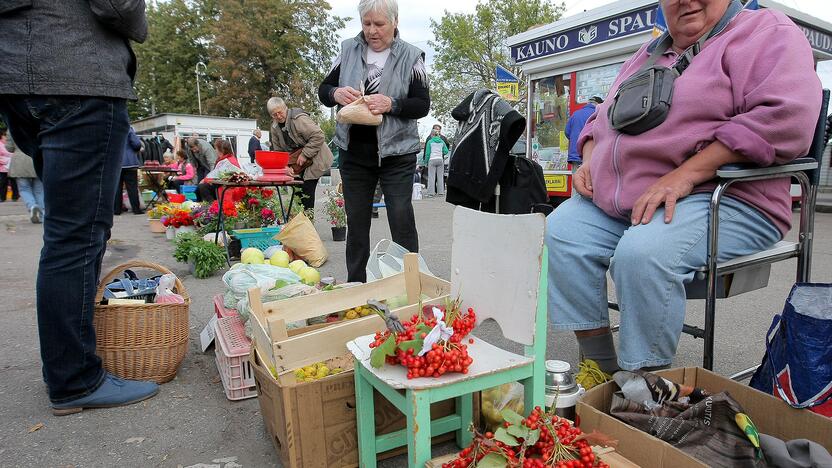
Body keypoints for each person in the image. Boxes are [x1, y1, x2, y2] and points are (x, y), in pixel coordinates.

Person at [546, 0, 821, 389]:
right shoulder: (650, 52)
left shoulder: (765, 31)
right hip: (633, 199)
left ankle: (645, 385)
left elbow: (786, 117)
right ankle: (601, 368)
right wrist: (590, 157)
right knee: (560, 231)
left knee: (643, 254)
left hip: (726, 194)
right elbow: (598, 117)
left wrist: (687, 174)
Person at [0, 0, 159, 414]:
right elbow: (116, 5)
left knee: (66, 233)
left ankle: (70, 366)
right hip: (78, 75)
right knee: (77, 237)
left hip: (17, 78)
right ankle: (75, 378)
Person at [319, 0, 430, 282]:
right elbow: (323, 89)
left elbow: (422, 105)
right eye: (366, 23)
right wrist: (335, 94)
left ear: (395, 22)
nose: (372, 31)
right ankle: (357, 287)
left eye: (379, 24)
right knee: (356, 224)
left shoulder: (412, 56)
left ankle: (409, 284)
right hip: (355, 155)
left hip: (397, 154)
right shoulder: (348, 50)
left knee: (401, 219)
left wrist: (391, 103)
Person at [267, 97, 334, 212]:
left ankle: (308, 225)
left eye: (280, 112)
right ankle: (299, 224)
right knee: (297, 194)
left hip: (316, 159)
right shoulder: (274, 128)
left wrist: (304, 154)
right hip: (296, 165)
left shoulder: (299, 119)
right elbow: (278, 152)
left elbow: (318, 136)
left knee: (307, 193)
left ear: (285, 108)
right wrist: (285, 167)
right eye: (274, 115)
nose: (278, 116)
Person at [6, 134, 44, 223]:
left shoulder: (12, 124)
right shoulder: (38, 121)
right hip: (37, 158)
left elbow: (9, 147)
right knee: (39, 190)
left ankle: (32, 206)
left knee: (24, 188)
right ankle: (42, 216)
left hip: (20, 161)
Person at [564, 95, 602, 175]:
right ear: (599, 104)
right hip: (591, 155)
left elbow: (567, 132)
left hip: (575, 155)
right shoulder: (598, 113)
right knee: (590, 183)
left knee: (577, 182)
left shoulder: (575, 114)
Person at [114, 127, 144, 215]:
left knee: (117, 187)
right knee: (132, 187)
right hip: (130, 163)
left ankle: (117, 210)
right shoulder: (128, 129)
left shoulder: (112, 129)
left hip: (116, 162)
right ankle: (136, 209)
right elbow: (137, 144)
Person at [422, 130, 449, 197]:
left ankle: (431, 193)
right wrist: (440, 152)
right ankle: (441, 193)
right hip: (440, 160)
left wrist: (425, 161)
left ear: (432, 135)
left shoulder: (430, 142)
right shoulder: (442, 141)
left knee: (431, 177)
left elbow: (427, 153)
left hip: (432, 160)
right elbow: (446, 151)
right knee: (440, 177)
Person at [0, 129, 19, 202]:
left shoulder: (11, 143)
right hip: (3, 167)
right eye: (5, 135)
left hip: (12, 166)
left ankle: (15, 196)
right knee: (3, 183)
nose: (6, 137)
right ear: (1, 136)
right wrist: (6, 160)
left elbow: (14, 152)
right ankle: (2, 197)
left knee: (14, 182)